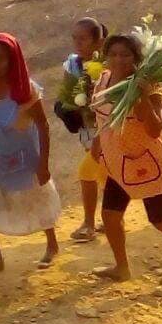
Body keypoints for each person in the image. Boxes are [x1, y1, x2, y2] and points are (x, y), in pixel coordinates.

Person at [91, 34, 162, 285]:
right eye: (114, 54)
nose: (119, 60)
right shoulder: (104, 80)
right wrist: (97, 144)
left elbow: (154, 129)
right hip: (116, 160)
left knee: (160, 219)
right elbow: (102, 117)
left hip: (148, 161)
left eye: (126, 55)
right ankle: (121, 267)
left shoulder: (150, 88)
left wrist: (141, 96)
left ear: (137, 59)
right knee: (110, 215)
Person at [0, 33, 61, 271]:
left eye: (0, 59)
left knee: (38, 196)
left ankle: (52, 244)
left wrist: (43, 163)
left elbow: (43, 125)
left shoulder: (26, 90)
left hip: (25, 155)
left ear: (12, 61)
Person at [54, 16, 106, 243]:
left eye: (83, 39)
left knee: (87, 173)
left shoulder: (110, 62)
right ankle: (111, 217)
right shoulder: (72, 64)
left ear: (98, 41)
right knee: (105, 173)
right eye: (74, 38)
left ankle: (89, 223)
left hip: (107, 128)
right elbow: (66, 94)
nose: (77, 43)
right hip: (87, 127)